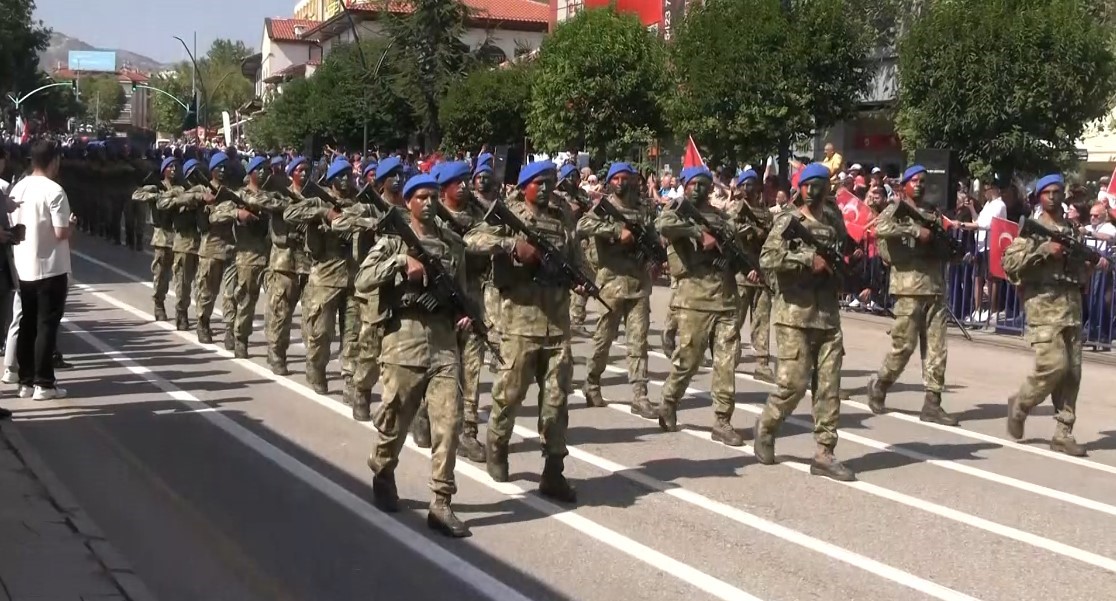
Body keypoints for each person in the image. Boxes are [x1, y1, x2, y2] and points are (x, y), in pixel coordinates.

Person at [356, 174, 471, 538]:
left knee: (449, 423)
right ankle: (383, 467)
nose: (429, 203)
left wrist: (466, 315)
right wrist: (400, 265)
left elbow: (463, 290)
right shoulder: (393, 241)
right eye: (421, 197)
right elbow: (363, 280)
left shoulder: (451, 242)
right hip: (403, 341)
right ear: (408, 202)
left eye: (434, 196)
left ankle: (441, 501)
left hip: (443, 343)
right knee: (394, 421)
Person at [464, 160, 578, 503]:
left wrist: (585, 280)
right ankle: (496, 447)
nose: (545, 189)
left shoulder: (563, 215)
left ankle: (553, 470)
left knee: (556, 402)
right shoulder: (506, 213)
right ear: (524, 185)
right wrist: (511, 246)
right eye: (539, 183)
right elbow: (472, 238)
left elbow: (576, 254)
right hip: (518, 324)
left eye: (550, 182)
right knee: (509, 396)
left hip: (557, 324)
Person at [754, 162, 853, 481]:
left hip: (827, 317)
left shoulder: (834, 220)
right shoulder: (788, 220)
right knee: (792, 385)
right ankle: (767, 426)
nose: (813, 190)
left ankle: (825, 451)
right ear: (800, 188)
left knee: (829, 387)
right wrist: (808, 260)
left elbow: (842, 249)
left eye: (819, 185)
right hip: (794, 316)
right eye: (807, 185)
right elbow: (767, 258)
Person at [1002, 174, 1107, 457]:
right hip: (1043, 306)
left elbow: (1075, 270)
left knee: (1072, 373)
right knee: (1053, 365)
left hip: (1071, 306)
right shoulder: (1033, 230)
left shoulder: (1072, 230)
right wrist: (1044, 250)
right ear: (1038, 197)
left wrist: (1090, 265)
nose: (1053, 196)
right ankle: (1021, 404)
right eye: (1047, 192)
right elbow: (1009, 263)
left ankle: (1063, 432)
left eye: (1057, 191)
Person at [653, 166, 745, 445]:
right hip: (695, 299)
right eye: (693, 183)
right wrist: (697, 233)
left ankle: (722, 420)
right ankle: (669, 401)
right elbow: (662, 225)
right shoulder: (675, 212)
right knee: (688, 360)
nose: (699, 188)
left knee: (727, 363)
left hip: (726, 299)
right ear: (684, 185)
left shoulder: (723, 218)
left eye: (704, 183)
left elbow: (737, 251)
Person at [866, 165, 960, 426]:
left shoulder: (932, 212)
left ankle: (933, 403)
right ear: (904, 185)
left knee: (937, 349)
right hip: (908, 289)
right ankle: (880, 384)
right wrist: (914, 231)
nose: (919, 184)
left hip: (934, 288)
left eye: (922, 181)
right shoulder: (896, 208)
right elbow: (880, 228)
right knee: (903, 347)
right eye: (914, 180)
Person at [578, 162, 656, 417]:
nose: (622, 183)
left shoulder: (642, 208)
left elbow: (654, 236)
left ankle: (640, 395)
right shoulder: (603, 208)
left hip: (638, 283)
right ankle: (591, 382)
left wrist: (654, 257)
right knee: (603, 340)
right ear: (610, 181)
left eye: (626, 178)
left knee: (638, 342)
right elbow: (582, 227)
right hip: (611, 283)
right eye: (617, 179)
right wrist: (615, 231)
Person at [8, 139, 73, 400]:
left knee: (27, 323)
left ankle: (25, 381)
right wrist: (72, 225)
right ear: (53, 160)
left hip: (24, 265)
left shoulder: (19, 188)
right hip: (50, 266)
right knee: (47, 325)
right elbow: (61, 232)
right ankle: (44, 383)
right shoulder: (54, 191)